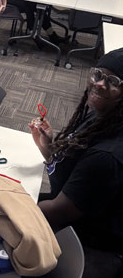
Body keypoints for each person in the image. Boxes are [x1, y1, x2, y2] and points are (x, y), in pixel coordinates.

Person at [30, 49, 123, 250]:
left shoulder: (107, 156)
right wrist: (48, 148)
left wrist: (5, 212)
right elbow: (72, 177)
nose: (99, 83)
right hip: (66, 213)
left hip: (84, 243)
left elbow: (58, 212)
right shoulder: (104, 116)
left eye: (113, 81)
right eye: (98, 75)